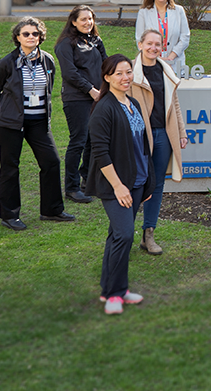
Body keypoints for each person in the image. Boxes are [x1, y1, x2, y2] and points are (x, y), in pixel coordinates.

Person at [86, 54, 155, 315]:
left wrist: (146, 182)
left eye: (128, 72)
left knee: (117, 236)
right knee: (125, 235)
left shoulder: (133, 103)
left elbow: (141, 146)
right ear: (107, 77)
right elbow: (101, 153)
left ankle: (113, 289)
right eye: (119, 74)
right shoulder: (104, 108)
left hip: (137, 181)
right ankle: (115, 293)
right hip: (116, 185)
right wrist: (118, 186)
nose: (125, 78)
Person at [0, 17, 74, 231]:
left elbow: (49, 88)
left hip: (38, 122)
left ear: (41, 37)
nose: (31, 37)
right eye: (26, 34)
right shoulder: (7, 63)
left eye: (35, 34)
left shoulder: (47, 61)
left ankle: (51, 210)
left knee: (52, 162)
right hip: (10, 124)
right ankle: (10, 215)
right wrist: (2, 112)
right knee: (10, 168)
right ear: (17, 37)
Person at [130, 30, 187, 256]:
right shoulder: (130, 71)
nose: (153, 48)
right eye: (149, 43)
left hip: (163, 133)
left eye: (158, 44)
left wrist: (181, 131)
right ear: (140, 44)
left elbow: (174, 102)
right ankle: (124, 233)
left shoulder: (165, 69)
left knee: (156, 185)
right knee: (135, 183)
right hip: (138, 135)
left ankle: (148, 233)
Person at [55, 4, 107, 204]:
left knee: (94, 141)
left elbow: (106, 65)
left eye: (90, 18)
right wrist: (91, 90)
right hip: (77, 98)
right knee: (78, 141)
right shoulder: (65, 44)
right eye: (83, 19)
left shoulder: (96, 41)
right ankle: (72, 187)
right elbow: (70, 73)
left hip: (97, 97)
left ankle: (88, 180)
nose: (88, 22)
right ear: (73, 22)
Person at [134, 0, 191, 76]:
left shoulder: (179, 11)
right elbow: (140, 39)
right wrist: (157, 58)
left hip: (175, 62)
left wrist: (171, 57)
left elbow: (185, 37)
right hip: (151, 62)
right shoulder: (144, 12)